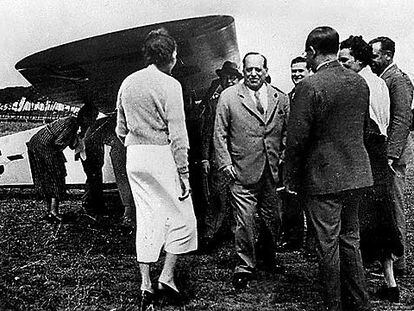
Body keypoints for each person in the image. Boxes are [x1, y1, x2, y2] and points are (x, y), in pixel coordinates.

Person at [285, 27, 373, 311]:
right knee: (350, 241)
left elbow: (297, 139)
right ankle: (360, 303)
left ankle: (333, 305)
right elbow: (362, 129)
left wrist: (291, 178)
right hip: (356, 176)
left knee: (327, 245)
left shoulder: (309, 86)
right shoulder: (359, 83)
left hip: (323, 180)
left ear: (311, 52)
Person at [116, 28, 197, 311]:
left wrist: (137, 140)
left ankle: (145, 282)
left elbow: (120, 128)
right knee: (183, 218)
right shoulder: (170, 84)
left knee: (147, 216)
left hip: (135, 156)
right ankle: (167, 275)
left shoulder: (128, 82)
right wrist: (184, 173)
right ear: (171, 56)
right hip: (161, 154)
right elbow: (178, 135)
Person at [214, 52, 289, 290]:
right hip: (241, 171)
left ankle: (268, 257)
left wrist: (283, 157)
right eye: (249, 70)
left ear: (266, 71)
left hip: (272, 172)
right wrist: (226, 164)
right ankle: (244, 266)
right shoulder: (228, 97)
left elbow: (287, 131)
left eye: (258, 69)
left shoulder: (280, 97)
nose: (253, 74)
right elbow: (219, 133)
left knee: (273, 218)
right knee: (244, 221)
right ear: (243, 71)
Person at [339, 35, 404, 303]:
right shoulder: (378, 83)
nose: (341, 65)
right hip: (378, 151)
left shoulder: (357, 84)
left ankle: (360, 280)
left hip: (365, 150)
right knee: (383, 213)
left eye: (345, 60)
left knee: (362, 215)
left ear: (359, 60)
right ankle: (389, 280)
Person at [369, 36, 413, 279]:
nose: (371, 60)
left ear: (387, 55)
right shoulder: (384, 79)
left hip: (393, 159)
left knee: (394, 207)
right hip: (387, 157)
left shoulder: (397, 80)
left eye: (374, 56)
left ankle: (398, 262)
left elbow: (402, 119)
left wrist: (391, 156)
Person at [199, 61, 242, 249]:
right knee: (217, 197)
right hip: (219, 157)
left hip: (241, 157)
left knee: (239, 197)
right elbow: (207, 131)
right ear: (221, 79)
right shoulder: (214, 103)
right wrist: (205, 157)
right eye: (226, 77)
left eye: (233, 77)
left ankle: (236, 233)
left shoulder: (245, 99)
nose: (230, 80)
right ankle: (211, 234)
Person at [79, 107, 135, 226]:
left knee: (96, 176)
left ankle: (126, 210)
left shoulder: (97, 125)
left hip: (116, 145)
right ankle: (128, 211)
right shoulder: (100, 125)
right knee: (120, 177)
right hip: (119, 145)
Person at [280, 56, 312, 252]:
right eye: (294, 71)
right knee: (291, 200)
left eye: (301, 71)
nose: (297, 75)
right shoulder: (289, 96)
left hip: (310, 158)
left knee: (312, 202)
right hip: (292, 157)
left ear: (309, 71)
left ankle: (313, 244)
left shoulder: (314, 93)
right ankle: (294, 239)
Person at [26, 115, 80, 223]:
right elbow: (59, 143)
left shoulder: (68, 120)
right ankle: (54, 212)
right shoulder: (72, 124)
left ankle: (50, 211)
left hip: (34, 144)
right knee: (56, 176)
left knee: (44, 178)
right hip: (45, 147)